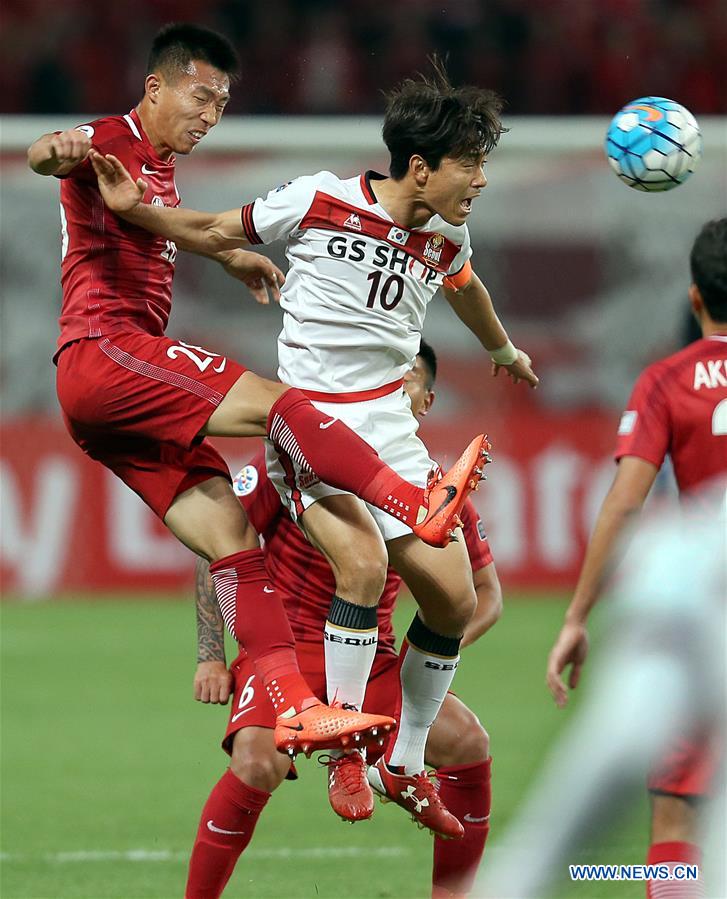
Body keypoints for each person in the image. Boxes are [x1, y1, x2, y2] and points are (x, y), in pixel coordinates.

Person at [89, 60, 538, 837]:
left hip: (391, 432)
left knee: (455, 599)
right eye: (471, 164)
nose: (481, 181)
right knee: (361, 565)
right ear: (422, 166)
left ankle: (403, 759)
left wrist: (501, 351)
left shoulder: (446, 233)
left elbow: (467, 290)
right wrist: (140, 212)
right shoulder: (318, 198)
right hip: (307, 426)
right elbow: (212, 230)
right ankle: (344, 753)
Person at [28, 24, 491, 758]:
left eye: (222, 103)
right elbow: (50, 150)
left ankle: (297, 706)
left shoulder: (161, 169)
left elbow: (179, 231)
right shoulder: (113, 138)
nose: (210, 115)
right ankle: (413, 504)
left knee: (233, 544)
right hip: (105, 352)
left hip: (107, 400)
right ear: (157, 87)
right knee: (284, 407)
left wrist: (238, 260)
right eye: (201, 96)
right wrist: (54, 150)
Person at [189, 342, 504, 899]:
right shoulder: (299, 460)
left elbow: (484, 596)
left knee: (468, 742)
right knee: (257, 763)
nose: (393, 389)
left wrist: (423, 671)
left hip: (371, 661)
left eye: (407, 381)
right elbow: (218, 549)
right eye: (385, 379)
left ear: (425, 401)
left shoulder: (435, 491)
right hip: (285, 653)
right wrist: (212, 656)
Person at [546, 218, 727, 898]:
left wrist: (576, 614)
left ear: (693, 298)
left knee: (675, 818)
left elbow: (624, 501)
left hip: (705, 609)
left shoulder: (666, 379)